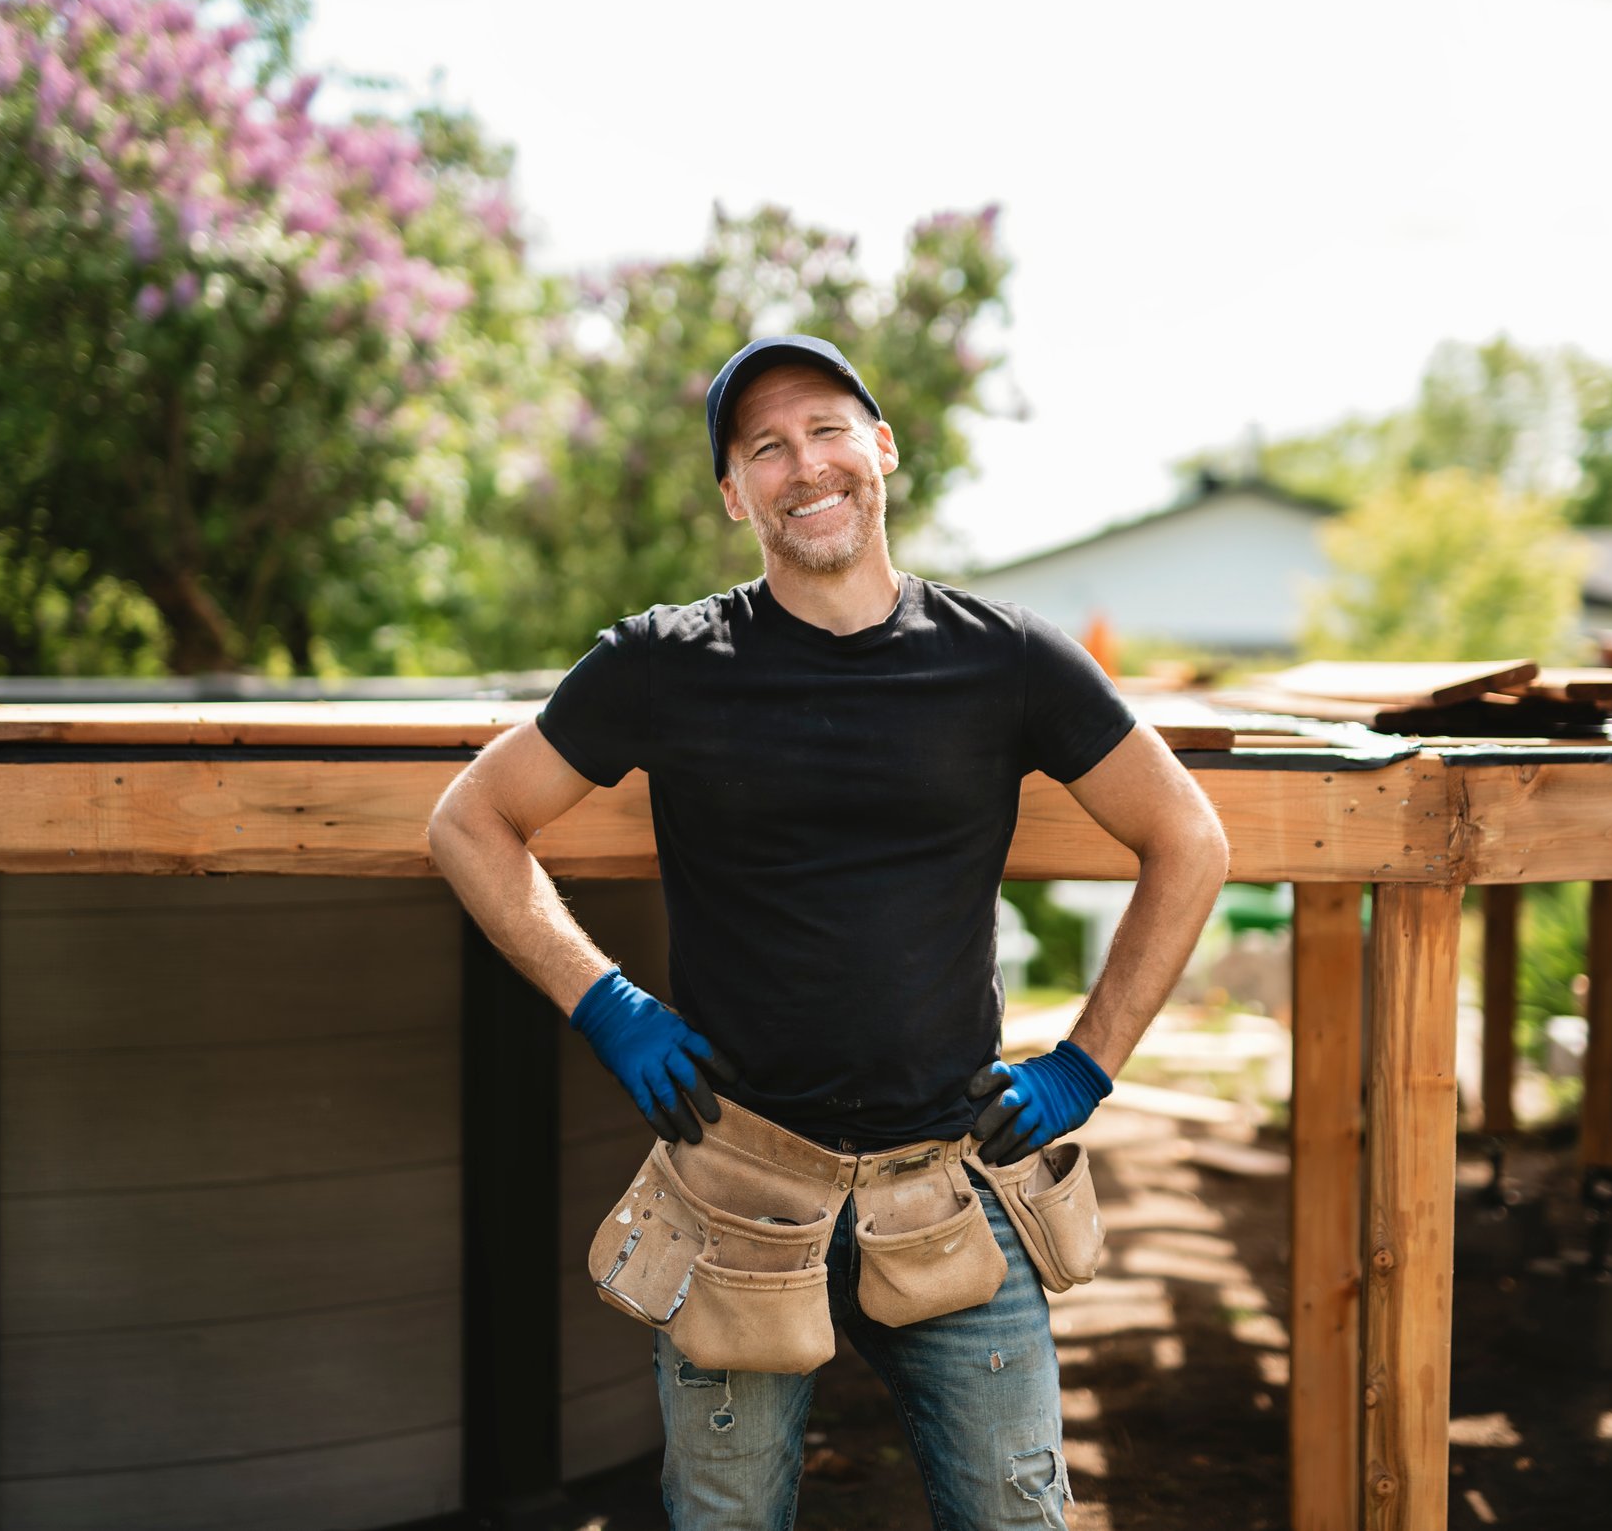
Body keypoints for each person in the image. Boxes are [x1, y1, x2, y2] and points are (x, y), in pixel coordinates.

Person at [430, 334, 1230, 1530]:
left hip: (949, 1181)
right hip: (739, 1184)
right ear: (734, 493)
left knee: (1021, 1519)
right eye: (765, 447)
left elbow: (1191, 840)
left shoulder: (1002, 657)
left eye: (826, 431)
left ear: (882, 449)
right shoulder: (665, 661)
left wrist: (1086, 1064)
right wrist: (609, 1002)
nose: (804, 466)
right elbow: (471, 819)